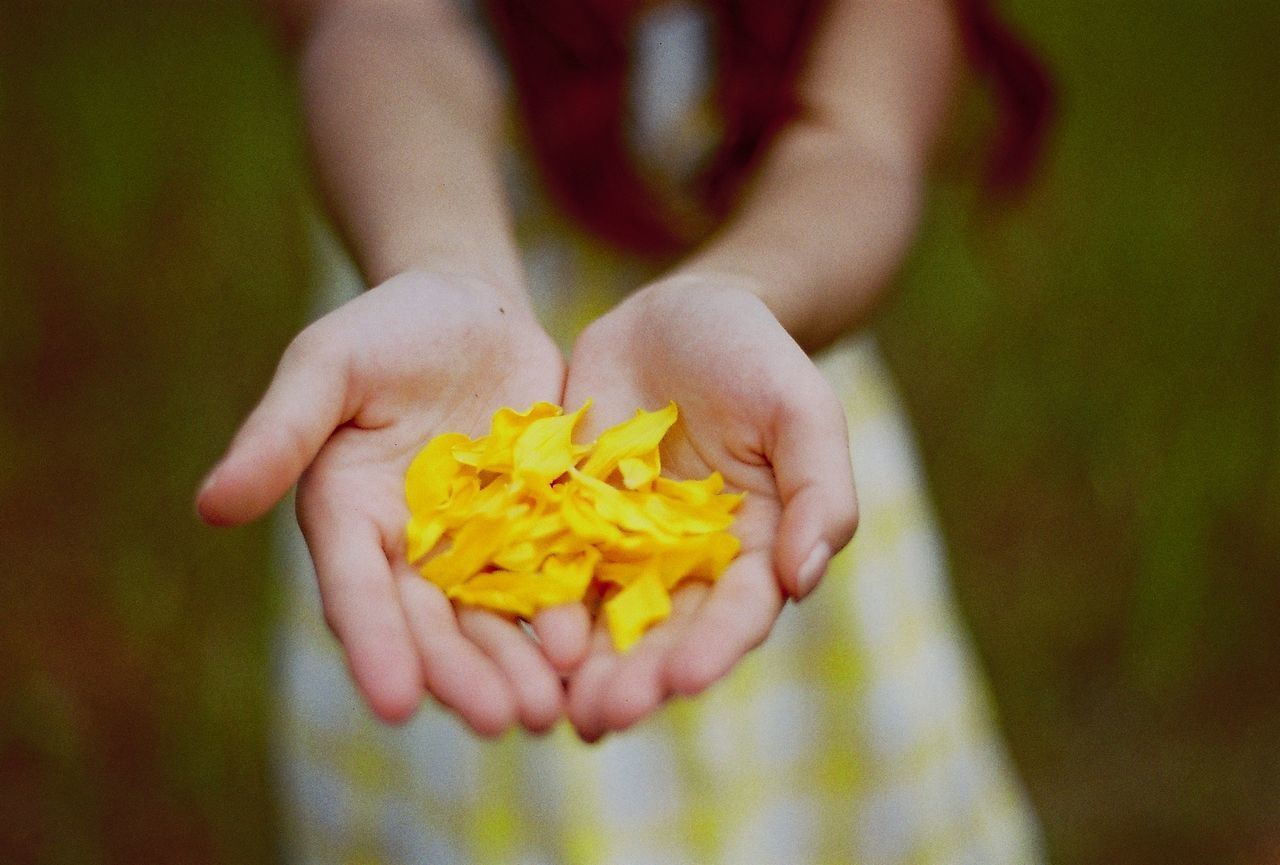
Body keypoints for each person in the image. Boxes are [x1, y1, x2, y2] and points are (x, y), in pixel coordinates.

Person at [197, 0, 1051, 861]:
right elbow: (377, 24)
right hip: (434, 391)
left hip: (744, 426)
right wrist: (439, 262)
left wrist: (747, 291)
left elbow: (863, 139)